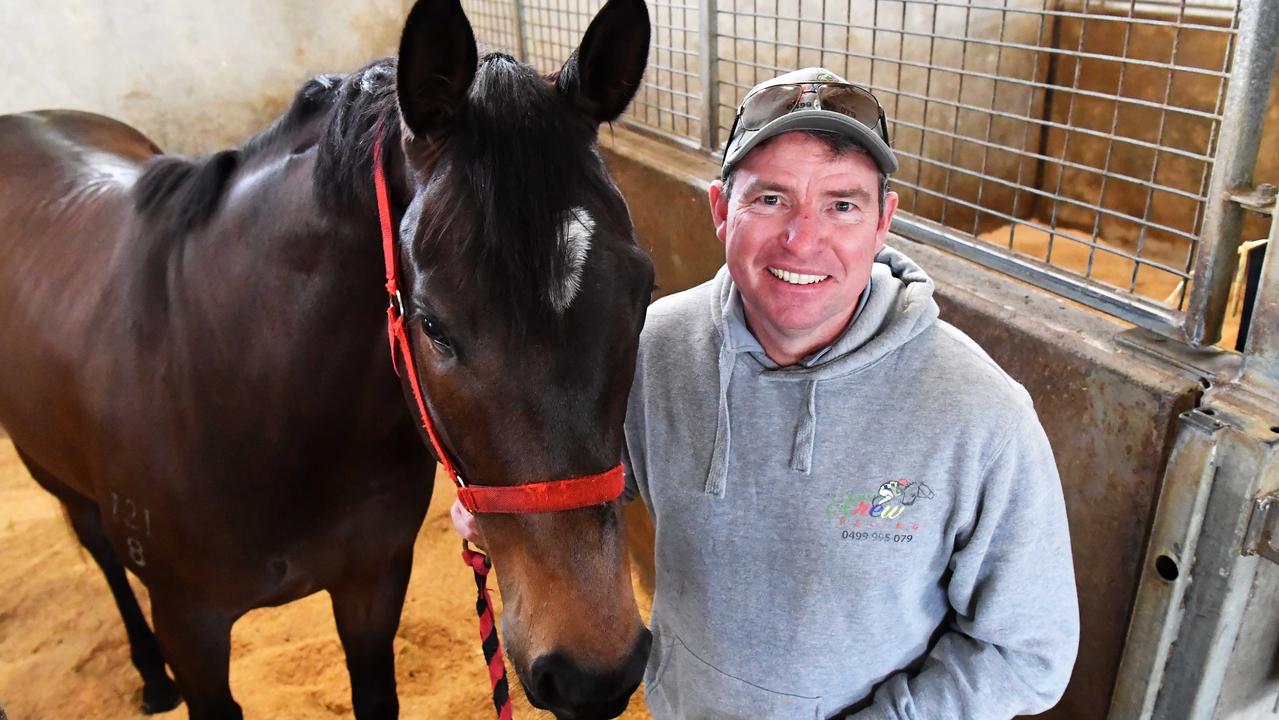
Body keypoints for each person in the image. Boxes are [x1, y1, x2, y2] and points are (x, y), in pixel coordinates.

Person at [454, 67, 1079, 719]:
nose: (803, 239)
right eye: (770, 199)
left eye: (841, 204)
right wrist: (510, 501)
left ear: (882, 221)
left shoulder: (980, 416)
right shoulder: (651, 348)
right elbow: (597, 473)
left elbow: (1030, 655)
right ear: (721, 210)